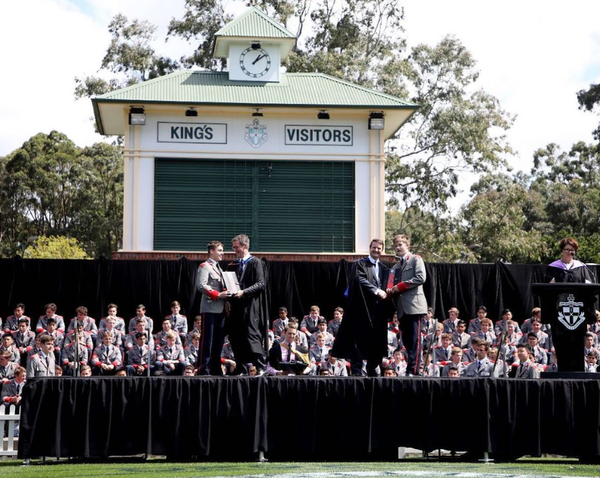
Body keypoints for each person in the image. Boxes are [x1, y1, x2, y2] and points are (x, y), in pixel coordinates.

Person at [333, 238, 389, 377]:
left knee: (375, 344)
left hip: (377, 314)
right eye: (374, 247)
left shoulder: (384, 268)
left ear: (382, 250)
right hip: (361, 311)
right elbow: (359, 279)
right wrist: (376, 290)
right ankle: (356, 374)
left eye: (379, 248)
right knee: (357, 342)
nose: (376, 250)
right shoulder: (360, 264)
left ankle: (372, 371)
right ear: (370, 248)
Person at [227, 234, 269, 375]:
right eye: (233, 247)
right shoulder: (234, 265)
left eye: (236, 247)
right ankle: (241, 367)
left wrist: (243, 292)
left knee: (252, 335)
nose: (234, 250)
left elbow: (261, 284)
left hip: (250, 306)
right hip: (236, 306)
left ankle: (260, 366)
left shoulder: (255, 263)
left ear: (244, 246)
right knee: (236, 335)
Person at [387, 234, 428, 376]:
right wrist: (390, 289)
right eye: (396, 245)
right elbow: (391, 285)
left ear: (407, 245)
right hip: (401, 308)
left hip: (414, 306)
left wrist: (399, 287)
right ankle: (411, 368)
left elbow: (421, 277)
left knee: (416, 340)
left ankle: (414, 370)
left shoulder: (416, 259)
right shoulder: (396, 266)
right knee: (407, 341)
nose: (398, 248)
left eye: (400, 245)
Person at [197, 240, 229, 375]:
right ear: (211, 251)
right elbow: (201, 285)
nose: (222, 253)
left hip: (220, 309)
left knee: (218, 341)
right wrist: (218, 294)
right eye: (220, 250)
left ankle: (215, 367)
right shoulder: (205, 266)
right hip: (210, 308)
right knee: (207, 340)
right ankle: (204, 368)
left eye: (222, 250)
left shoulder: (219, 268)